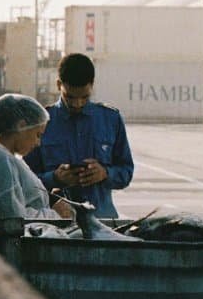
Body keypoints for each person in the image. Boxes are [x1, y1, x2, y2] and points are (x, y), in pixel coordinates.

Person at [25, 53, 134, 218]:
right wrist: (54, 178)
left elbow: (126, 171)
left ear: (92, 86)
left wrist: (105, 174)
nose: (77, 104)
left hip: (102, 222)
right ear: (58, 85)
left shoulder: (111, 119)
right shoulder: (41, 122)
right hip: (56, 224)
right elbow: (25, 180)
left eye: (84, 97)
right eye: (70, 97)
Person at [0, 93, 74, 220]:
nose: (38, 143)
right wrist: (55, 214)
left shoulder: (2, 156)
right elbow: (12, 218)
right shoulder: (1, 161)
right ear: (21, 126)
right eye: (38, 135)